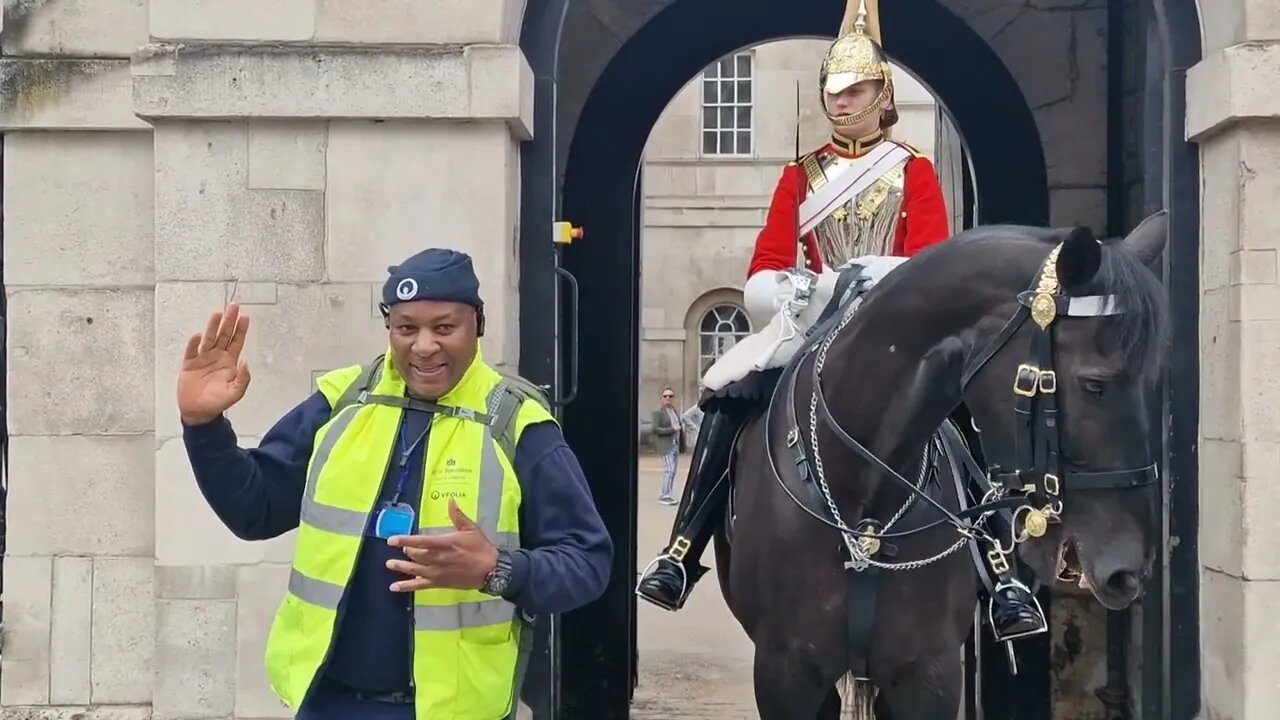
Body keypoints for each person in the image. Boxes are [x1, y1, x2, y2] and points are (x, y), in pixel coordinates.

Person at [635, 0, 1048, 645]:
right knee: (726, 393)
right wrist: (795, 285)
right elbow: (767, 262)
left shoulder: (913, 170)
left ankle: (1002, 573)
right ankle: (683, 550)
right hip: (812, 318)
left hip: (900, 325)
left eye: (855, 90)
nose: (842, 102)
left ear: (882, 95)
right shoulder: (800, 176)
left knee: (963, 408)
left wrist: (880, 280)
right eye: (834, 91)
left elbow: (930, 258)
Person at [178, 248, 612, 720]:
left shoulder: (517, 425)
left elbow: (587, 562)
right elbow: (254, 511)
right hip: (327, 702)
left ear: (477, 325)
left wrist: (498, 569)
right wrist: (203, 427)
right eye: (406, 328)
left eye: (444, 327)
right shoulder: (342, 402)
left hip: (451, 711)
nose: (424, 346)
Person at [651, 387, 683, 505]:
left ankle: (668, 493)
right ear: (662, 398)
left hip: (675, 444)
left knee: (673, 470)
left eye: (670, 396)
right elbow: (654, 428)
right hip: (666, 445)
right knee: (668, 470)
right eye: (665, 396)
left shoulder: (674, 411)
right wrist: (671, 429)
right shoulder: (658, 412)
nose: (668, 398)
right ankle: (664, 495)